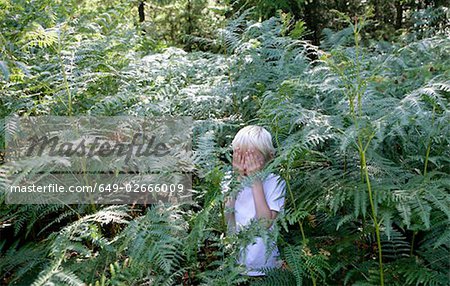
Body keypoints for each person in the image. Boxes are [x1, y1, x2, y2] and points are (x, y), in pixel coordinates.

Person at [224, 125, 286, 276]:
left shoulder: (275, 182)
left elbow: (264, 223)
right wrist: (237, 180)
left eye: (252, 160)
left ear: (269, 157)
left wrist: (255, 180)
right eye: (242, 158)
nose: (247, 166)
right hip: (236, 263)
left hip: (266, 265)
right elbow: (227, 218)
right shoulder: (229, 180)